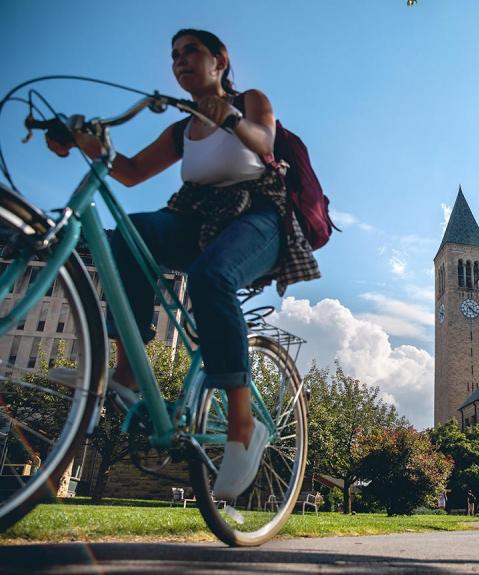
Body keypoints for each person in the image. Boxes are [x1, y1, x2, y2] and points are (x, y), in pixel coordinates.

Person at [45, 29, 320, 499]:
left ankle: (242, 423)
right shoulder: (182, 129)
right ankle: (129, 371)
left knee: (211, 276)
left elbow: (262, 140)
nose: (180, 61)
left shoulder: (250, 100)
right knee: (128, 235)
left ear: (220, 60)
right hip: (197, 218)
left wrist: (230, 118)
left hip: (258, 217)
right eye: (173, 56)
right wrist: (93, 148)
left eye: (191, 50)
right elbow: (131, 173)